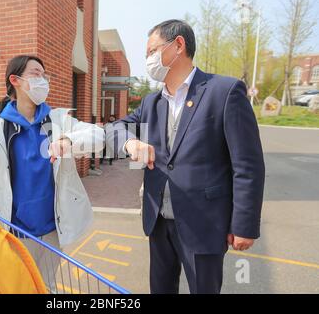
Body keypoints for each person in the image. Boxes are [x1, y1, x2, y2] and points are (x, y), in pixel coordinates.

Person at [107, 20, 265, 294]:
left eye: (152, 51)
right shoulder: (151, 103)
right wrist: (130, 142)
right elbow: (115, 128)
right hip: (158, 222)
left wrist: (244, 224)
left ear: (178, 45)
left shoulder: (224, 92)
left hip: (204, 223)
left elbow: (247, 166)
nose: (148, 60)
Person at [0, 55, 105, 292]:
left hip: (53, 229)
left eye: (45, 75)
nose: (43, 80)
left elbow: (98, 135)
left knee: (45, 286)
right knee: (17, 287)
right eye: (36, 73)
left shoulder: (57, 120)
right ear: (15, 80)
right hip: (15, 232)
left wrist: (68, 140)